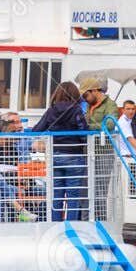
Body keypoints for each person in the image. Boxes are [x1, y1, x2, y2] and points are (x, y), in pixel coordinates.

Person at [32, 80, 88, 221]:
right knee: (73, 195)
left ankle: (55, 224)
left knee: (56, 194)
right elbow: (83, 133)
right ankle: (71, 225)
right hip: (74, 156)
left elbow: (37, 129)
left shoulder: (52, 110)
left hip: (55, 155)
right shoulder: (77, 110)